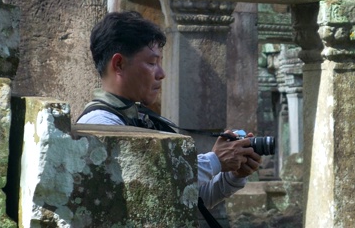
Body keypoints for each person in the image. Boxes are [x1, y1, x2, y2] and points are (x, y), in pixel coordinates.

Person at [76, 11, 261, 209]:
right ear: (119, 64)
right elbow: (150, 184)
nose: (161, 73)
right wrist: (215, 160)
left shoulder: (139, 117)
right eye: (152, 63)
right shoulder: (99, 124)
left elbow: (187, 198)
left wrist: (232, 176)